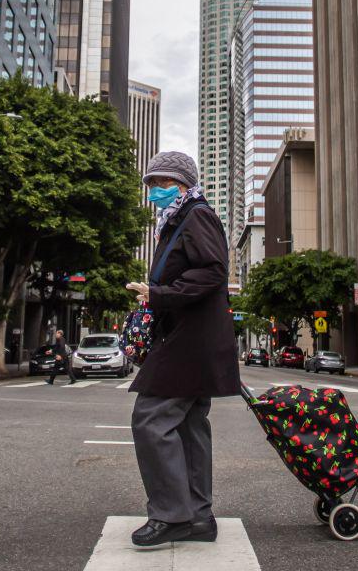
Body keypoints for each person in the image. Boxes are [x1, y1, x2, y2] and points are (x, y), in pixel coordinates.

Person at [123, 151, 240, 547]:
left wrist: (158, 294)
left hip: (191, 339)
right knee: (189, 425)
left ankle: (172, 516)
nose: (155, 190)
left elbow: (212, 271)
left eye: (164, 183)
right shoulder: (178, 219)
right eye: (151, 183)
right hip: (192, 337)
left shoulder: (197, 215)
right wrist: (156, 294)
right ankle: (198, 517)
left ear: (186, 184)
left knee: (151, 417)